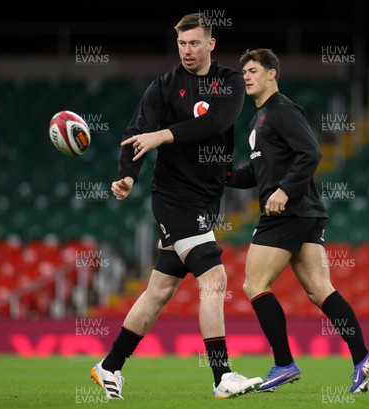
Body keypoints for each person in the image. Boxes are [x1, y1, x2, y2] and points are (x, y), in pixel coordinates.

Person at [90, 13, 262, 399]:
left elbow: (218, 122)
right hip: (174, 198)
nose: (187, 50)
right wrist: (128, 175)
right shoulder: (164, 86)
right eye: (182, 43)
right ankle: (222, 376)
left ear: (211, 44)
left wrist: (162, 136)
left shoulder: (229, 83)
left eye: (195, 43)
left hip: (205, 197)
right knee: (214, 279)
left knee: (159, 291)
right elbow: (136, 133)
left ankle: (109, 366)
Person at [227, 48, 369, 393]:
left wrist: (284, 191)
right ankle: (363, 360)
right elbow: (256, 172)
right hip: (306, 212)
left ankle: (284, 364)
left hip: (288, 211)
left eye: (254, 70)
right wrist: (224, 176)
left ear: (272, 74)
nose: (247, 77)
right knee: (319, 289)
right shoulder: (259, 119)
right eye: (244, 73)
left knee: (254, 286)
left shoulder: (282, 110)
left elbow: (311, 153)